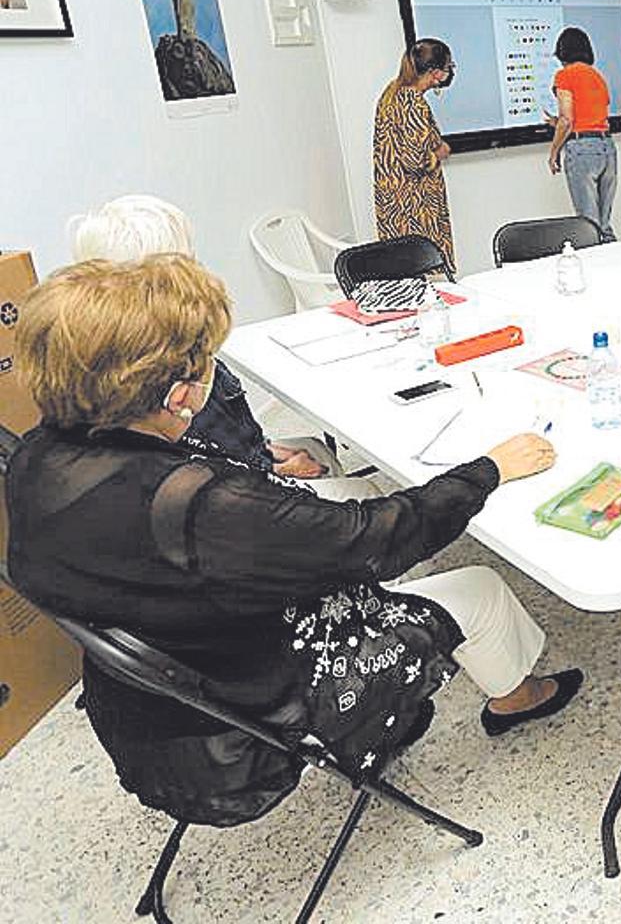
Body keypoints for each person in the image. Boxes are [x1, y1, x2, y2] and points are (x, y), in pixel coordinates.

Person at [6, 256, 583, 825]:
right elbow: (379, 540)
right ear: (178, 394)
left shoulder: (37, 458)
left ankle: (397, 716)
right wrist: (490, 468)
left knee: (342, 493)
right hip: (236, 732)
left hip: (147, 707)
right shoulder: (203, 509)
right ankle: (517, 696)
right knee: (478, 586)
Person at [68, 194, 361, 495]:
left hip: (240, 470)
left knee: (317, 450)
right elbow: (212, 478)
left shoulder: (108, 356)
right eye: (189, 262)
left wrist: (264, 452)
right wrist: (275, 471)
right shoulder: (164, 383)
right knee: (368, 494)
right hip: (234, 503)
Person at [374, 38, 457, 273]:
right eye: (449, 66)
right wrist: (439, 152)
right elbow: (414, 160)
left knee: (402, 269)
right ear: (435, 72)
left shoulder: (392, 92)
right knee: (425, 271)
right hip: (415, 204)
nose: (450, 72)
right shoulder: (413, 104)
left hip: (393, 199)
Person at [546, 27, 618, 242]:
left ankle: (594, 269)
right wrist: (557, 123)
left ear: (562, 52)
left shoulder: (564, 75)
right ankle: (612, 263)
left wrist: (553, 153)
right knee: (603, 224)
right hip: (607, 148)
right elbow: (591, 115)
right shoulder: (598, 77)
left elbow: (567, 120)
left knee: (587, 224)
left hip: (582, 150)